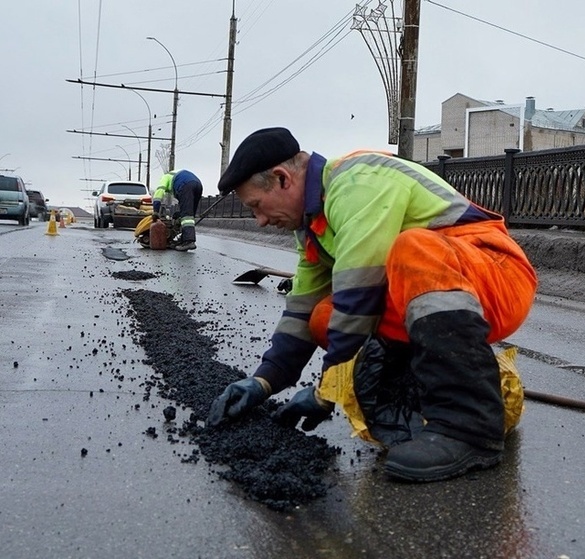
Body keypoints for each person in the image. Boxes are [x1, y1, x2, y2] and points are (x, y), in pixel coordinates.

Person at [207, 127, 537, 483]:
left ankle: (468, 430)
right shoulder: (312, 226)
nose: (259, 220)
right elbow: (301, 308)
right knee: (322, 316)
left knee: (412, 250)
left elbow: (358, 297)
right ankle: (422, 402)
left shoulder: (356, 185)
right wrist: (264, 382)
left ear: (282, 179)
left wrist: (326, 392)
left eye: (256, 205)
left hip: (495, 275)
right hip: (436, 287)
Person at [153, 169, 204, 251]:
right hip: (198, 184)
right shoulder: (178, 175)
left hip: (185, 185)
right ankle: (184, 238)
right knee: (190, 215)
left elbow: (159, 193)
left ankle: (188, 241)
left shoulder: (165, 177)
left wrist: (155, 210)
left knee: (186, 217)